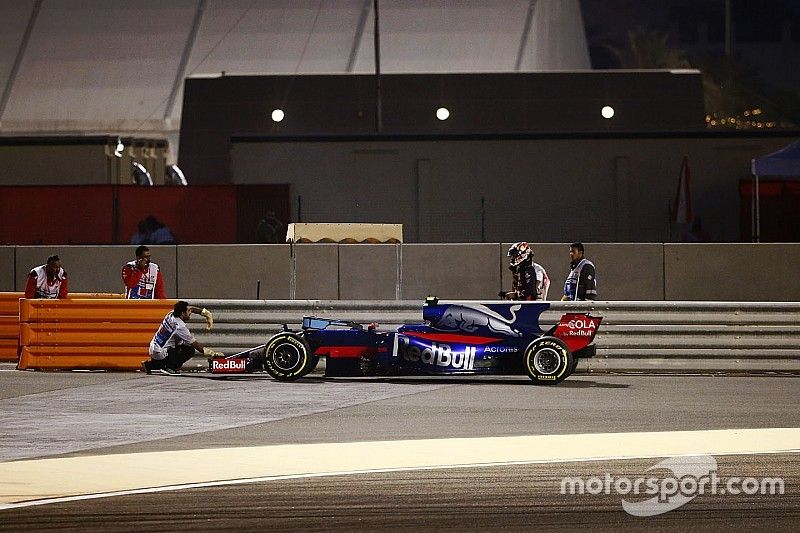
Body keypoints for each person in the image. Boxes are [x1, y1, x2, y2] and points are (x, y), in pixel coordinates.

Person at [142, 300, 215, 375]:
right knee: (189, 350)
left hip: (153, 349)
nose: (190, 312)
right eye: (188, 312)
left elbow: (191, 309)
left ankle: (149, 365)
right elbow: (195, 344)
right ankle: (170, 368)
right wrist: (211, 353)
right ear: (182, 313)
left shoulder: (171, 314)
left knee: (178, 343)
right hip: (160, 353)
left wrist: (205, 313)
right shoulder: (180, 326)